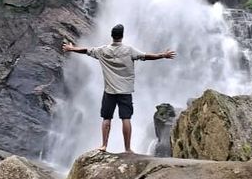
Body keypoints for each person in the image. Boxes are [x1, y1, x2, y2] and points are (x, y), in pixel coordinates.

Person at [62, 24, 175, 153]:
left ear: (112, 36)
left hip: (109, 91)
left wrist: (71, 49)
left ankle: (104, 145)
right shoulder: (129, 50)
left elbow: (86, 50)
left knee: (106, 119)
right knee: (126, 119)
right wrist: (163, 55)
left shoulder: (102, 50)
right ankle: (127, 149)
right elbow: (146, 56)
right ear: (122, 36)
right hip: (125, 91)